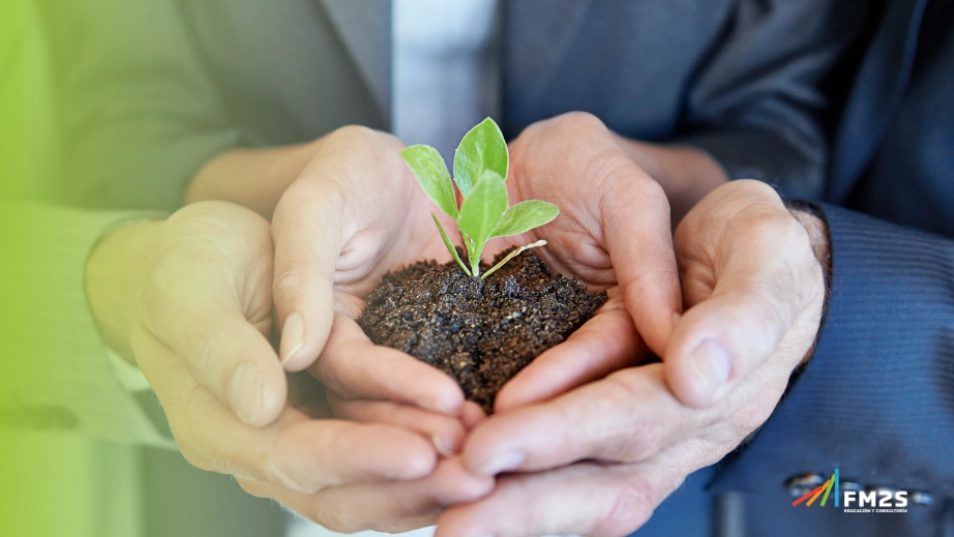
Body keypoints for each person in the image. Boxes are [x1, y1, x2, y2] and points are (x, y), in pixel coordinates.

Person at [15, 1, 948, 536]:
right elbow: (125, 113)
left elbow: (781, 119)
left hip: (662, 469)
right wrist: (276, 205)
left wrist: (650, 205)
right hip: (242, 445)